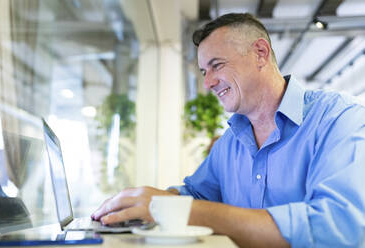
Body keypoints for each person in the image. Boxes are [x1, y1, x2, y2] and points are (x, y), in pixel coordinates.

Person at [92, 13, 365, 247]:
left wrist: (185, 212)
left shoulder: (339, 118)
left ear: (260, 53)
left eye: (217, 65)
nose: (208, 83)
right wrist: (146, 202)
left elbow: (339, 227)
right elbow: (197, 194)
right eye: (203, 72)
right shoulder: (231, 141)